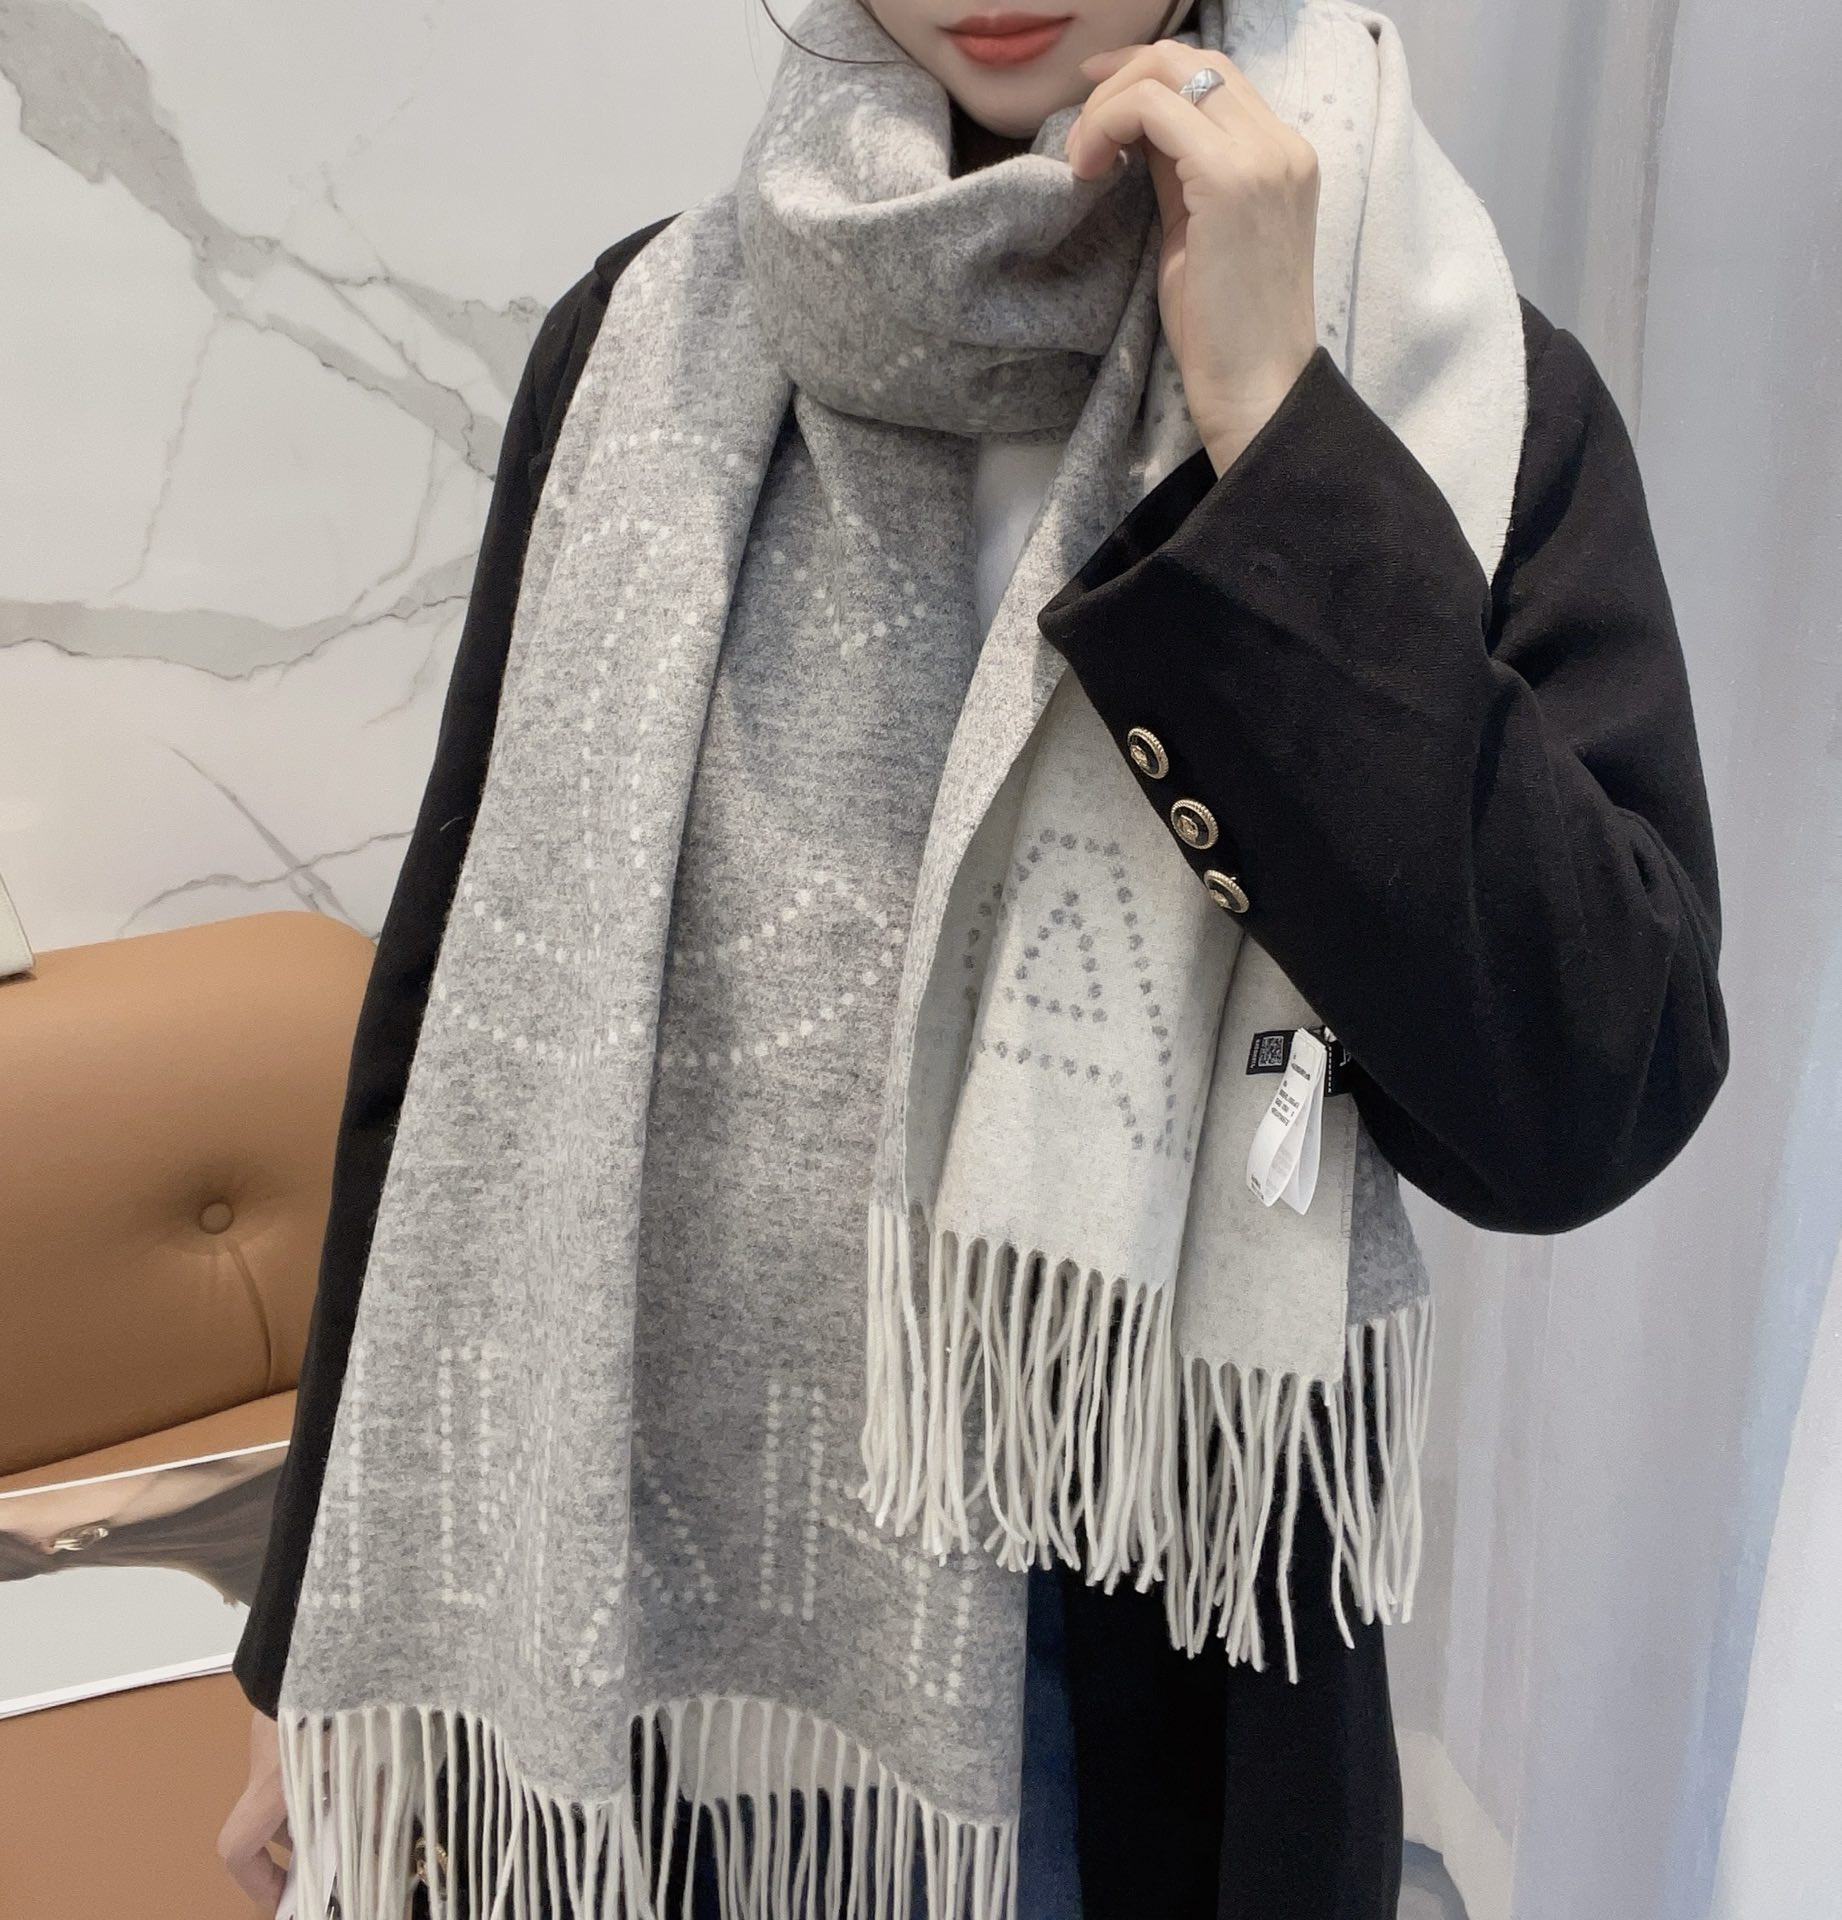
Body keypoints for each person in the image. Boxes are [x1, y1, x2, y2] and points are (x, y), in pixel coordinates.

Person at [217, 2, 1728, 1916]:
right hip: (632, 1614)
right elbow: (456, 1009)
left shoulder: (1441, 369)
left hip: (1140, 1667)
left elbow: (1586, 1091)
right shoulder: (640, 345)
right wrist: (317, 1641)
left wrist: (1277, 436)